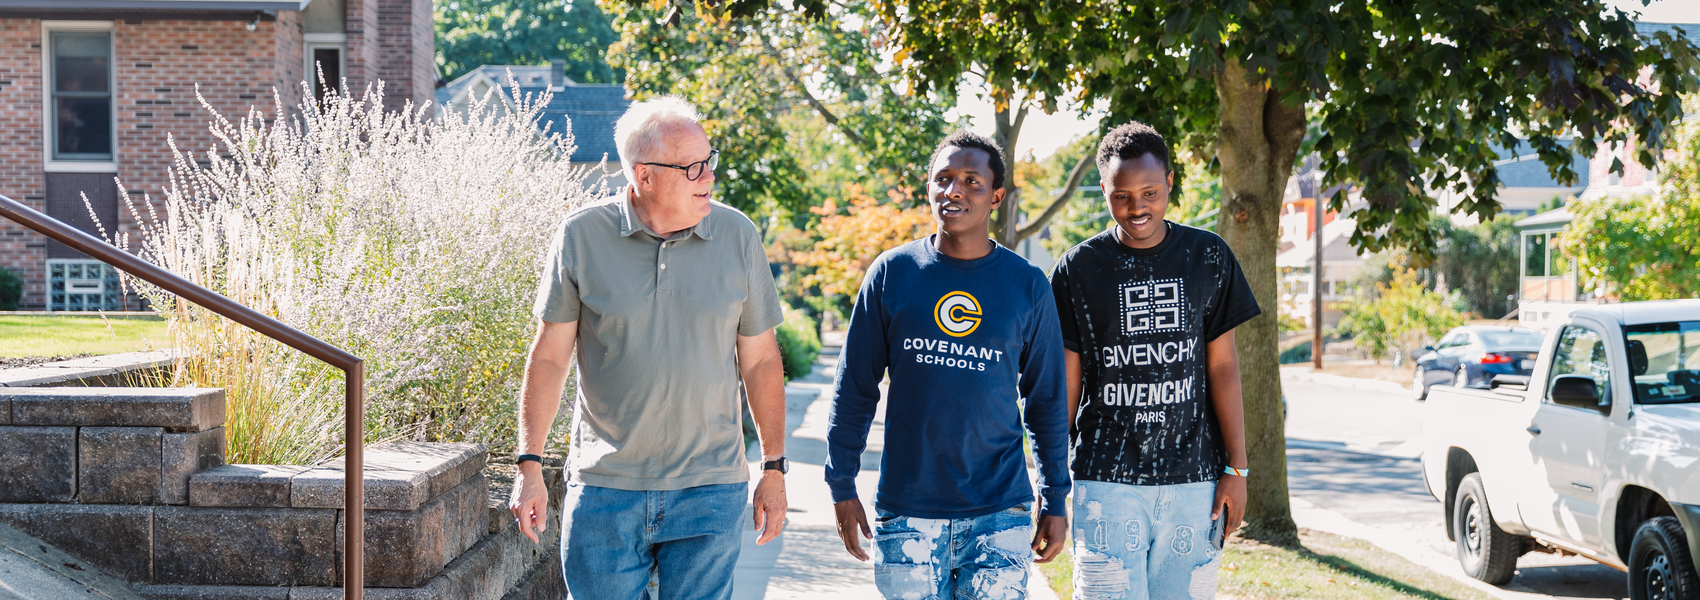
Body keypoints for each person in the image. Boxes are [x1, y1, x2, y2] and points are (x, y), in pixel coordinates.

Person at [508, 96, 790, 600]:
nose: (709, 176)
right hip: (605, 490)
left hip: (710, 488)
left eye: (711, 160)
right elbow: (549, 356)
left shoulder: (737, 235)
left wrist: (774, 467)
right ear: (645, 175)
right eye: (693, 167)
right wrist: (529, 465)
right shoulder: (580, 235)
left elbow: (762, 359)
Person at [826, 130, 1071, 600]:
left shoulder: (1028, 285)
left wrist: (1056, 497)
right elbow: (855, 387)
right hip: (907, 510)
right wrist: (841, 483)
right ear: (929, 188)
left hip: (1000, 511)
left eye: (971, 181)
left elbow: (1046, 401)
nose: (954, 190)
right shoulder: (892, 274)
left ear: (996, 196)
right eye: (944, 178)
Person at [1049, 121, 1260, 599]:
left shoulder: (1208, 256)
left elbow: (1223, 366)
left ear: (1169, 181)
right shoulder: (1078, 269)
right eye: (1121, 195)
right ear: (1103, 189)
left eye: (1149, 191)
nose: (1137, 206)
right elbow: (1067, 380)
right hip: (1105, 479)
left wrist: (1238, 468)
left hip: (1194, 481)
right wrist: (1052, 480)